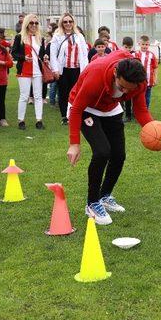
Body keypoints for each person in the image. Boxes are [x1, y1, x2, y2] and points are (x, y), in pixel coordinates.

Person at [66, 52, 152, 225]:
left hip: (111, 108)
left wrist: (152, 128)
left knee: (119, 155)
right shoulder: (95, 76)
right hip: (85, 108)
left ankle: (104, 195)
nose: (126, 91)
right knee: (102, 152)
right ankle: (92, 203)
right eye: (122, 87)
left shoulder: (139, 82)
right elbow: (76, 109)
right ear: (115, 74)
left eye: (130, 89)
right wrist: (74, 143)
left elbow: (141, 110)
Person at [50, 12, 89, 125]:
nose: (68, 23)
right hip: (64, 69)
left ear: (73, 23)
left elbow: (84, 54)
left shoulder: (79, 36)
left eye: (70, 21)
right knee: (64, 93)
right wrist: (55, 69)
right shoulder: (57, 36)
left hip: (77, 69)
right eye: (65, 21)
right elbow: (53, 54)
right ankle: (64, 117)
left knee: (77, 93)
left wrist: (85, 70)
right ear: (62, 23)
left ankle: (75, 114)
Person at [12, 14, 48, 130]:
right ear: (26, 24)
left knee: (38, 96)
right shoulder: (19, 37)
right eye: (31, 23)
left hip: (37, 71)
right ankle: (21, 120)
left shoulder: (40, 38)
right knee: (24, 96)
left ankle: (39, 120)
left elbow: (41, 54)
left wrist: (45, 57)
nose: (34, 25)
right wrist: (23, 58)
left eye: (36, 23)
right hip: (24, 70)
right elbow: (14, 53)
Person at [136, 35, 158, 109]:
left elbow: (155, 68)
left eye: (146, 44)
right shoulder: (135, 54)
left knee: (147, 97)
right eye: (143, 44)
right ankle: (137, 111)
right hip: (138, 81)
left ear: (149, 44)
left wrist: (155, 78)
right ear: (139, 44)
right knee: (138, 97)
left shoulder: (151, 55)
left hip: (149, 81)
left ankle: (146, 110)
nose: (144, 46)